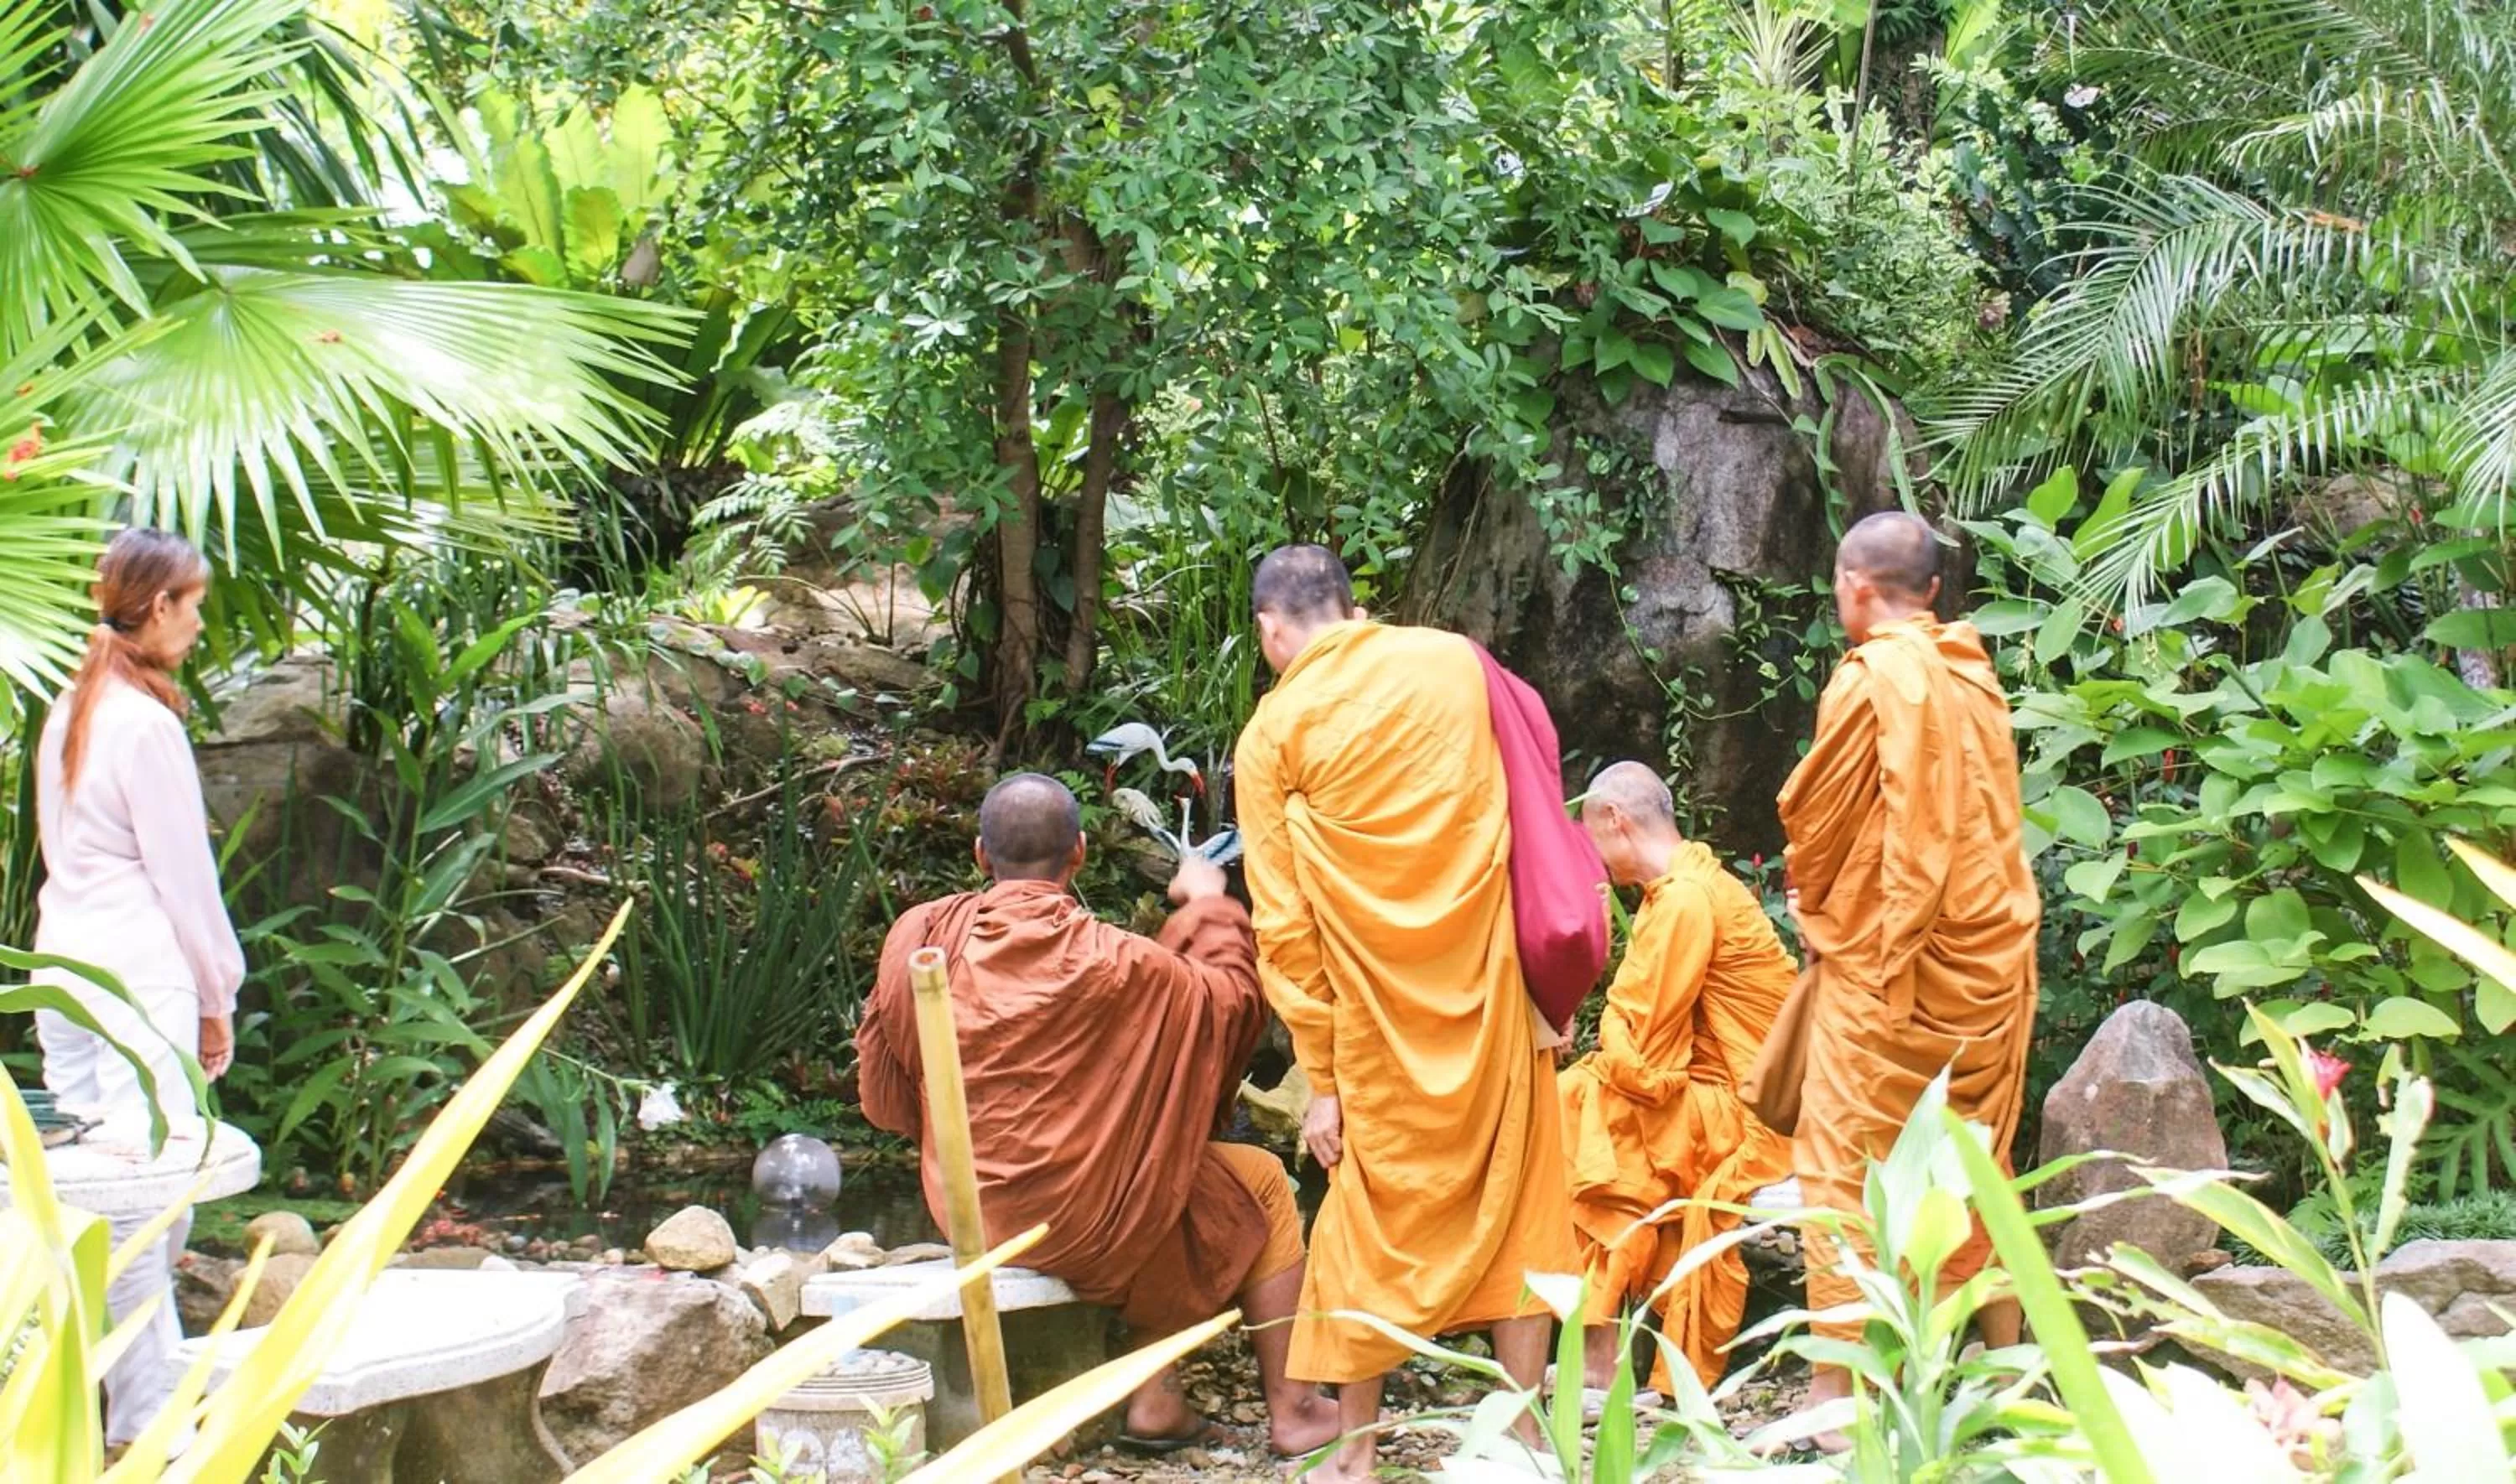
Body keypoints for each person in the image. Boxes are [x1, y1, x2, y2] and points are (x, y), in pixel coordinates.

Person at [855, 773, 1339, 1456]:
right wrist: (1207, 906)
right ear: (1079, 852)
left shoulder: (924, 934)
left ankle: (1156, 1399)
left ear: (980, 856)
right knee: (1233, 1180)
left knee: (1159, 1174)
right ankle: (1295, 1410)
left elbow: (888, 1086)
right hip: (1089, 1215)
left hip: (972, 1205)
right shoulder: (1120, 964)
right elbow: (1231, 1002)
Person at [1234, 545, 1578, 1483]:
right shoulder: (1458, 663)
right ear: (1352, 606)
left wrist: (1323, 1078)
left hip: (1374, 1025)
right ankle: (1525, 1433)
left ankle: (1357, 1449)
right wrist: (1554, 986)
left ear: (1272, 630)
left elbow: (1286, 922)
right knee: (1518, 1205)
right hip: (1492, 996)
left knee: (1365, 1222)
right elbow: (1535, 817)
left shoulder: (1272, 736)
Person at [1777, 511, 2040, 1436]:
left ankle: (1837, 1393)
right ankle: (1999, 1371)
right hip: (1983, 961)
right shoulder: (1975, 677)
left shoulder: (1870, 680)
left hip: (1887, 971)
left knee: (1847, 1166)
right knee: (1974, 1155)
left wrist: (1818, 907)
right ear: (1931, 592)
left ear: (1854, 590)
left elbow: (1822, 830)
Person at [32, 527, 244, 1450]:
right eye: (193, 607)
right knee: (150, 1205)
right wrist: (216, 994)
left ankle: (81, 1414)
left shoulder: (70, 705)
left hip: (62, 970)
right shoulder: (146, 725)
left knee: (85, 1208)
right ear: (158, 607)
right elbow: (183, 879)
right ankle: (153, 1431)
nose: (198, 626)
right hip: (133, 982)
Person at [1560, 762, 1795, 1397]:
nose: (1596, 858)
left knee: (1584, 1105)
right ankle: (1601, 1340)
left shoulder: (1686, 900)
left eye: (1593, 837)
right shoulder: (1692, 882)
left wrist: (1598, 1047)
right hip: (1746, 1092)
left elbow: (1645, 1059)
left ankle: (1598, 1347)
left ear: (1616, 820)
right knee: (1589, 1102)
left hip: (1758, 1115)